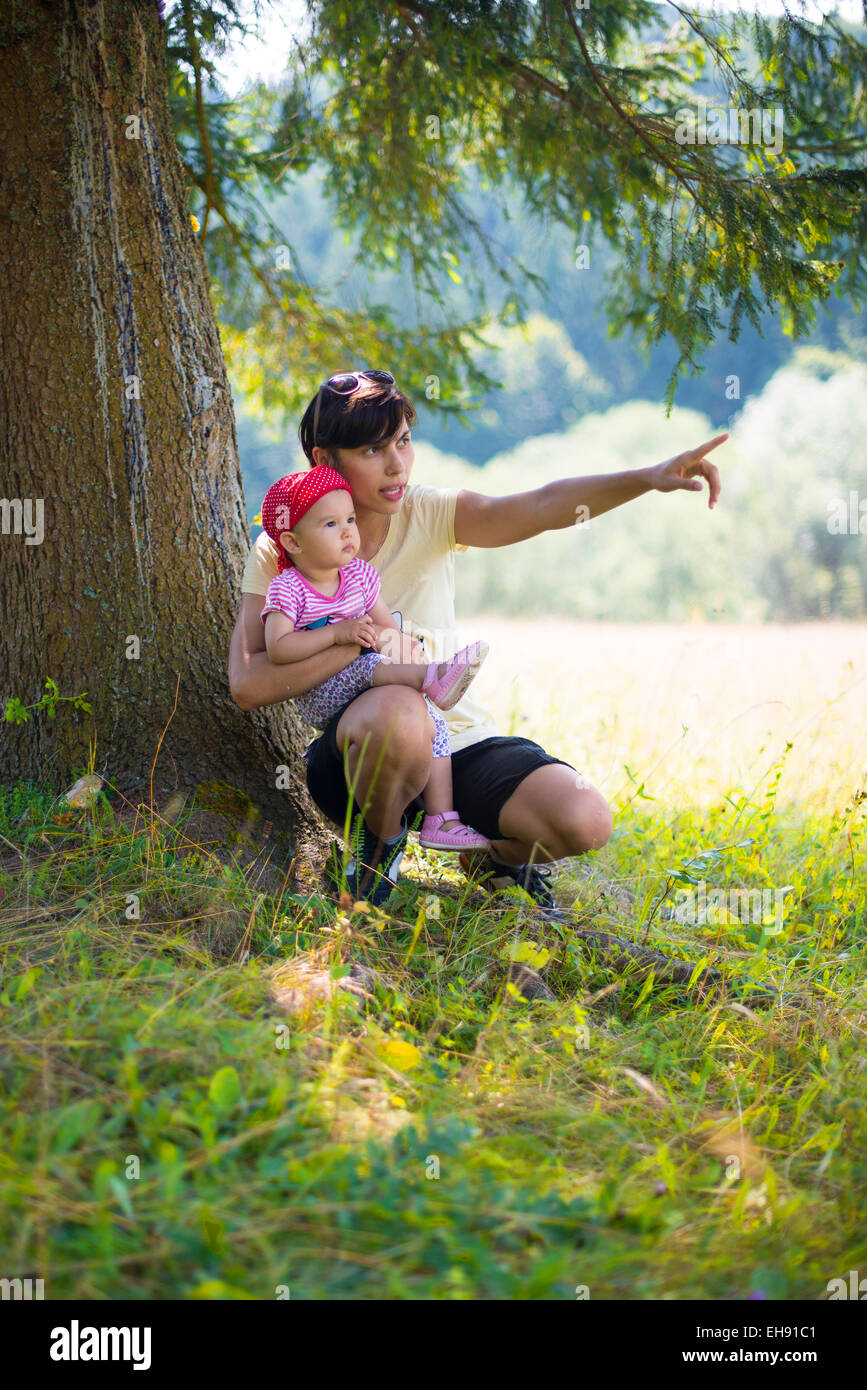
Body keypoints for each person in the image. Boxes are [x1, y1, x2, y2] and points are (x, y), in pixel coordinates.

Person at [228, 368, 726, 911]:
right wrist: (355, 645)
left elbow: (539, 506)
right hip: (357, 754)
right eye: (373, 450)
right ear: (327, 461)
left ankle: (491, 857)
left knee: (584, 819)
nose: (397, 465)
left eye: (403, 441)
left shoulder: (430, 511)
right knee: (399, 706)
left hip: (456, 742)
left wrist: (647, 477)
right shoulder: (284, 550)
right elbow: (249, 683)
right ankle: (379, 849)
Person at [258, 464, 492, 853]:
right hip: (322, 694)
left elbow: (387, 633)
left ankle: (441, 818)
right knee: (367, 663)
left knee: (432, 718)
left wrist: (403, 648)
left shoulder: (359, 577)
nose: (348, 530)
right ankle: (434, 676)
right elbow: (279, 648)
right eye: (330, 524)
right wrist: (336, 633)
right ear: (293, 542)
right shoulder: (289, 588)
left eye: (349, 518)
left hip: (370, 684)